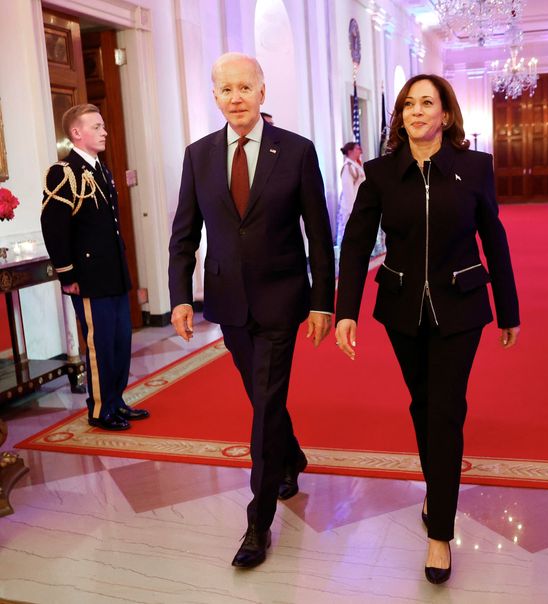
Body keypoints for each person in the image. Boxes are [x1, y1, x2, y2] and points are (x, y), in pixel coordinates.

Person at [335, 74, 520, 584]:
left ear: (446, 114)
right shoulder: (379, 174)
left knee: (445, 411)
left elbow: (494, 238)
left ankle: (440, 532)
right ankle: (438, 486)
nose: (417, 111)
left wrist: (509, 308)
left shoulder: (473, 168)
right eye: (408, 104)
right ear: (400, 116)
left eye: (427, 103)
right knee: (422, 406)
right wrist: (345, 309)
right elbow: (355, 244)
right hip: (401, 311)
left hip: (460, 309)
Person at [167, 52, 335, 569]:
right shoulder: (198, 156)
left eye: (245, 87)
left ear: (263, 92)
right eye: (225, 89)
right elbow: (183, 234)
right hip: (228, 302)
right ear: (214, 96)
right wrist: (178, 295)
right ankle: (294, 457)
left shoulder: (298, 152)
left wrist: (322, 302)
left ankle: (257, 523)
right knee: (262, 397)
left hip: (284, 300)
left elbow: (319, 236)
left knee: (263, 403)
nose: (235, 97)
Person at [40, 104, 149, 431]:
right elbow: (53, 227)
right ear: (76, 133)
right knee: (99, 345)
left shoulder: (101, 168)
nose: (104, 131)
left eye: (103, 126)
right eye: (97, 127)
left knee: (119, 341)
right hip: (87, 278)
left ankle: (116, 400)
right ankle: (100, 409)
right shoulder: (64, 172)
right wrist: (67, 275)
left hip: (112, 273)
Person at [335, 141, 365, 246]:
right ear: (350, 151)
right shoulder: (348, 167)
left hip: (359, 203)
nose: (360, 151)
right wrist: (353, 209)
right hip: (351, 204)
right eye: (357, 148)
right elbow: (348, 190)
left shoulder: (356, 165)